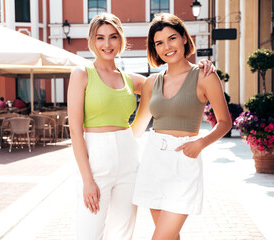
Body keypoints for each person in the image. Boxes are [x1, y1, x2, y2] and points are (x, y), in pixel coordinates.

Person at [68, 13, 214, 240]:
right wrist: (87, 179)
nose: (107, 44)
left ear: (121, 40)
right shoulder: (81, 75)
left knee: (123, 232)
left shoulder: (133, 81)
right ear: (92, 41)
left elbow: (170, 80)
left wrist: (203, 65)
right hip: (96, 161)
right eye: (100, 38)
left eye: (113, 37)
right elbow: (75, 132)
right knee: (89, 232)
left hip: (129, 161)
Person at [131, 13, 232, 240]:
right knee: (170, 237)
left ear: (184, 38)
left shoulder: (204, 76)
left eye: (172, 38)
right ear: (154, 48)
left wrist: (201, 144)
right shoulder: (152, 82)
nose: (167, 46)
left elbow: (225, 121)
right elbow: (138, 128)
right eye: (159, 43)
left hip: (183, 160)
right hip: (153, 159)